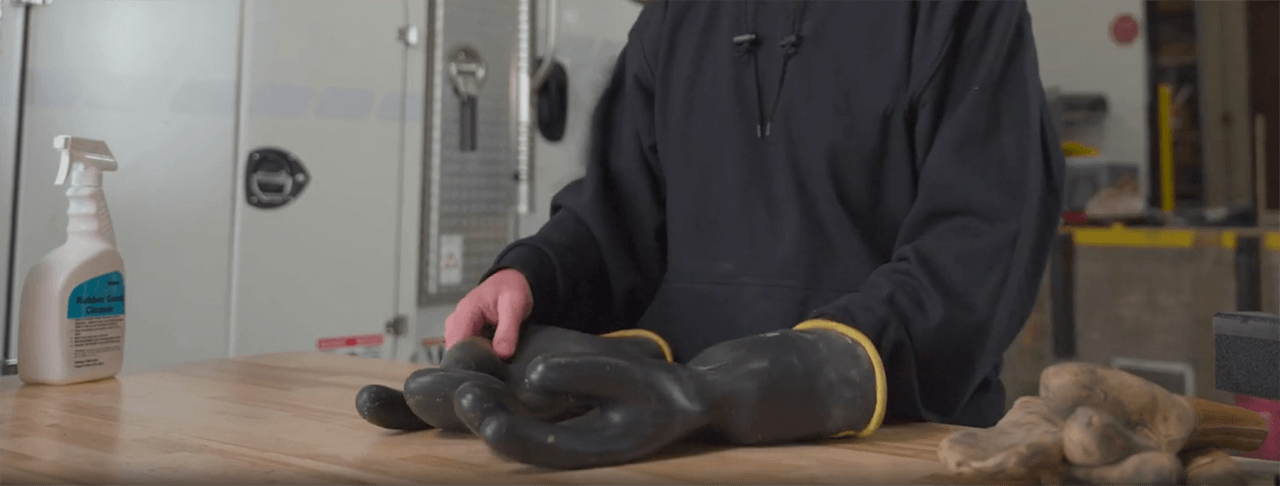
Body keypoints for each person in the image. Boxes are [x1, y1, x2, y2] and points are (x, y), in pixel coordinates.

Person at [444, 0, 1064, 434]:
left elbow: (977, 247)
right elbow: (613, 222)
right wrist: (528, 279)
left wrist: (809, 375)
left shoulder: (963, 10)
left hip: (892, 445)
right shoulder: (671, 20)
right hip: (672, 439)